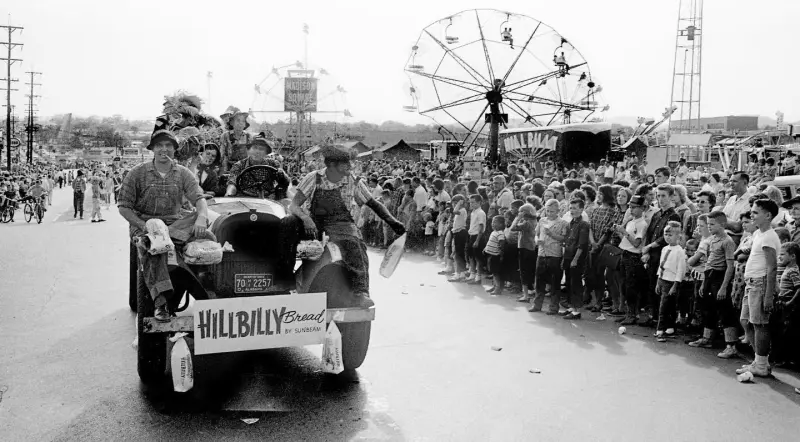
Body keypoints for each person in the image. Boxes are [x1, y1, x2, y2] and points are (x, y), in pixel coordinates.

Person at [284, 145, 406, 308]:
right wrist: (306, 219)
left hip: (341, 223)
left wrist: (393, 222)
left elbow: (373, 204)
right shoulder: (313, 177)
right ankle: (284, 278)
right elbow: (293, 206)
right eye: (346, 164)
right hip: (313, 223)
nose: (350, 167)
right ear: (331, 165)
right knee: (287, 225)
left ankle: (360, 292)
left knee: (355, 245)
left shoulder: (353, 181)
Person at [117, 116, 214, 321]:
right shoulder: (137, 173)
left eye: (168, 145)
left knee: (210, 235)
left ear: (174, 149)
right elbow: (124, 207)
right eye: (159, 145)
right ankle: (161, 302)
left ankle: (210, 288)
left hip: (175, 224)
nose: (164, 149)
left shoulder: (184, 173)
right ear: (152, 149)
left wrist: (201, 218)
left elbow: (199, 199)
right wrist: (145, 227)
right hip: (144, 224)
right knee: (154, 243)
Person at [737, 198, 780, 377]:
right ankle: (759, 360)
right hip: (751, 283)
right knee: (745, 321)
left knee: (759, 324)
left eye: (755, 213)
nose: (751, 215)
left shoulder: (769, 236)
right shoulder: (758, 234)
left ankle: (761, 364)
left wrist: (769, 295)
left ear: (768, 215)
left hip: (760, 284)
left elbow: (772, 268)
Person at [689, 211, 739, 357]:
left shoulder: (728, 241)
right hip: (709, 276)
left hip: (720, 277)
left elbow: (730, 266)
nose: (709, 227)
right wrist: (705, 282)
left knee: (725, 311)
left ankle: (731, 345)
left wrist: (724, 287)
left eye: (712, 224)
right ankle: (707, 338)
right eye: (708, 224)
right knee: (707, 307)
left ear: (722, 224)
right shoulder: (712, 240)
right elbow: (708, 262)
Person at [641, 184, 682, 326]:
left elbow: (666, 237)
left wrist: (649, 247)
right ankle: (654, 316)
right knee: (652, 286)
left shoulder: (674, 215)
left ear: (671, 197)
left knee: (663, 289)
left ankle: (664, 321)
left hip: (666, 256)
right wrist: (647, 251)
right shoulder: (657, 214)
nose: (660, 199)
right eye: (658, 196)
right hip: (653, 256)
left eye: (663, 196)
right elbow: (651, 233)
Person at [529, 199, 568, 314]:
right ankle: (537, 305)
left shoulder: (563, 223)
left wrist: (552, 234)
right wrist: (537, 241)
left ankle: (553, 307)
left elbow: (564, 239)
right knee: (539, 280)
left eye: (552, 211)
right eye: (547, 211)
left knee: (555, 283)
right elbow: (536, 234)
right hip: (542, 253)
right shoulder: (542, 220)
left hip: (555, 255)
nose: (549, 213)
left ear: (558, 211)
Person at [225, 135, 289, 199]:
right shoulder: (239, 165)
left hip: (268, 199)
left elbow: (286, 182)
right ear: (249, 150)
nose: (257, 151)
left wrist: (281, 174)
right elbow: (232, 182)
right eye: (255, 148)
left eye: (261, 149)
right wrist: (229, 194)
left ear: (266, 153)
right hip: (245, 198)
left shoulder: (273, 163)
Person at [618, 195, 648, 325]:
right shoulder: (631, 221)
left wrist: (624, 232)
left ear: (642, 208)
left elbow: (636, 243)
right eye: (630, 207)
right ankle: (628, 312)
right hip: (625, 253)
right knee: (624, 285)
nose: (631, 210)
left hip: (633, 257)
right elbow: (624, 238)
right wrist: (620, 230)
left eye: (634, 207)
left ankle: (632, 314)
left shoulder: (642, 223)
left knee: (631, 287)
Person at [655, 221, 686, 342]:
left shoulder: (679, 251)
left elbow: (680, 270)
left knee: (665, 307)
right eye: (665, 234)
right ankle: (669, 327)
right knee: (666, 305)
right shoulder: (664, 249)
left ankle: (660, 330)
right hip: (663, 279)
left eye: (670, 234)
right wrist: (658, 280)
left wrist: (675, 284)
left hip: (671, 282)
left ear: (678, 236)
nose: (667, 237)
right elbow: (661, 265)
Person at [562, 198, 590, 320]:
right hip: (568, 256)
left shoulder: (583, 224)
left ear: (581, 209)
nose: (572, 210)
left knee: (575, 283)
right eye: (571, 208)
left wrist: (575, 259)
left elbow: (582, 244)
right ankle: (570, 306)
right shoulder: (570, 224)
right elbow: (567, 242)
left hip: (576, 258)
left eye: (575, 208)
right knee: (568, 282)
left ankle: (576, 310)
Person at [219, 106, 252, 173]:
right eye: (238, 120)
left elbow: (251, 155)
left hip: (244, 168)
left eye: (243, 121)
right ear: (232, 123)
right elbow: (222, 155)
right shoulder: (225, 136)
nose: (240, 123)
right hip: (229, 168)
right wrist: (225, 171)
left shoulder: (248, 136)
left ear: (245, 124)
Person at [483, 215, 506, 296]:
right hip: (490, 255)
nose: (492, 224)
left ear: (501, 224)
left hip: (496, 256)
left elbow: (501, 244)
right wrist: (485, 249)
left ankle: (498, 288)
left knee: (496, 273)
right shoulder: (493, 232)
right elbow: (490, 242)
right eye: (492, 222)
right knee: (493, 272)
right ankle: (494, 286)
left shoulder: (500, 233)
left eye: (495, 222)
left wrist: (501, 254)